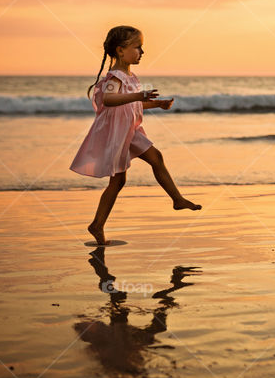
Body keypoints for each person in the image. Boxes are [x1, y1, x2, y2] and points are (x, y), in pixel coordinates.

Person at [70, 25, 201, 245]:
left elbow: (130, 105)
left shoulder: (131, 75)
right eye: (138, 47)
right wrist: (139, 95)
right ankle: (97, 225)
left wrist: (156, 104)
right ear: (121, 51)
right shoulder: (116, 76)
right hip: (117, 133)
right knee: (118, 180)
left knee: (156, 158)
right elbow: (109, 100)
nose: (142, 52)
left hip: (131, 130)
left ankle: (177, 199)